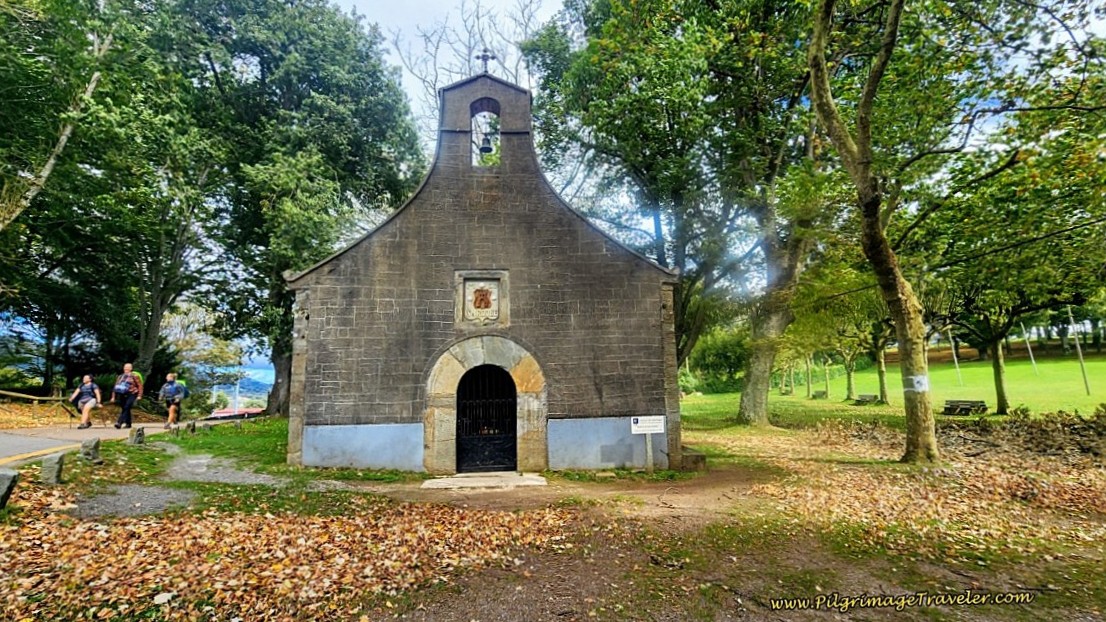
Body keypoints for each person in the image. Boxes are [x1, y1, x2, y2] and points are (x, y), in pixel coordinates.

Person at [109, 362, 143, 429]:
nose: (126, 369)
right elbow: (115, 386)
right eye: (125, 367)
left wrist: (139, 395)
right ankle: (128, 423)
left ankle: (119, 422)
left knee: (127, 407)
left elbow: (140, 386)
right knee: (125, 408)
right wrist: (113, 397)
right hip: (122, 393)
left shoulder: (135, 376)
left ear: (131, 368)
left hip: (132, 393)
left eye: (128, 368)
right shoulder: (120, 376)